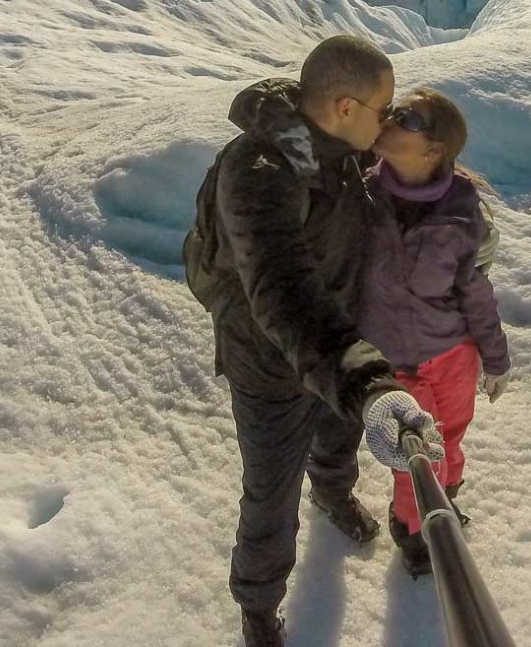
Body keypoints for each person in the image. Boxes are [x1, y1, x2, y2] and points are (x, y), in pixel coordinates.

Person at [200, 36, 444, 647]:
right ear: (343, 107)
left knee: (339, 440)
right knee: (270, 493)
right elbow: (284, 293)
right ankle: (258, 609)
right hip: (272, 364)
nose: (387, 122)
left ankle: (332, 493)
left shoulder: (344, 151)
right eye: (381, 109)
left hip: (344, 348)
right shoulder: (257, 176)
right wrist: (364, 380)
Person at [356, 86, 512, 577]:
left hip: (452, 354)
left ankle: (446, 505)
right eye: (395, 110)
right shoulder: (359, 195)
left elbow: (474, 291)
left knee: (452, 440)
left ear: (435, 149)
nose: (391, 118)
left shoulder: (463, 214)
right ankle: (416, 533)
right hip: (392, 361)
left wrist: (496, 356)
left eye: (409, 118)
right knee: (415, 456)